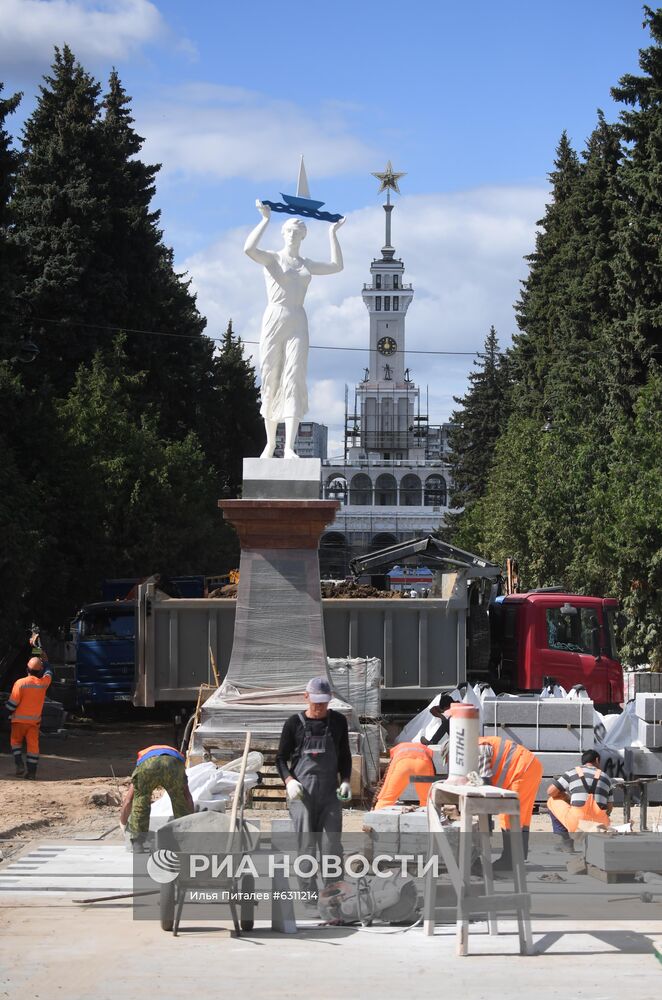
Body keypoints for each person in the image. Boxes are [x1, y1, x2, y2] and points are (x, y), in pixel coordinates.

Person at [244, 201, 344, 458]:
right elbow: (249, 249)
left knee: (294, 377)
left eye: (297, 233)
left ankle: (289, 446)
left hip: (298, 318)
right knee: (271, 376)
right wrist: (265, 220)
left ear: (303, 236)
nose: (293, 235)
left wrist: (332, 234)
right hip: (275, 316)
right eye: (289, 231)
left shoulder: (306, 263)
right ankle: (270, 443)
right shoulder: (273, 258)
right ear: (283, 234)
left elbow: (336, 266)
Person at [276, 677, 352, 879]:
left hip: (330, 795)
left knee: (331, 847)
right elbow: (280, 759)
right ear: (306, 696)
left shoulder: (338, 722)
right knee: (307, 847)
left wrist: (345, 780)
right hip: (302, 795)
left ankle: (334, 896)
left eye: (324, 702)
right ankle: (309, 899)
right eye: (315, 701)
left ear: (330, 699)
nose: (319, 706)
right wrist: (289, 781)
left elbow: (345, 755)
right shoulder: (293, 724)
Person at [477, 735, 544, 869]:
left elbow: (484, 782)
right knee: (521, 817)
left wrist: (485, 818)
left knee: (510, 815)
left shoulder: (479, 747)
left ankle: (510, 861)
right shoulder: (478, 745)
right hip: (526, 767)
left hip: (522, 769)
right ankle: (517, 858)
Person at [120, 744, 194, 850]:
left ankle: (138, 843)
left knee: (141, 800)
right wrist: (192, 823)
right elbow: (188, 798)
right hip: (173, 764)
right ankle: (185, 837)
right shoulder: (177, 757)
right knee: (179, 801)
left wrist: (122, 823)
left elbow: (128, 801)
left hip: (149, 765)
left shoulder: (142, 760)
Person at [6, 633, 53, 779]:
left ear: (27, 668)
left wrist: (5, 713)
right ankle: (32, 773)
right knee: (33, 748)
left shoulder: (20, 683)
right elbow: (49, 670)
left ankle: (19, 764)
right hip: (33, 723)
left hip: (18, 722)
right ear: (39, 671)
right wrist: (43, 658)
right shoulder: (43, 684)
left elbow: (12, 704)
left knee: (15, 742)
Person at [546, 749, 613, 846]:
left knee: (552, 800)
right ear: (597, 760)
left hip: (577, 825)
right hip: (600, 826)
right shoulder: (606, 778)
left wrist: (565, 797)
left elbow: (550, 791)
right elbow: (610, 808)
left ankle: (566, 842)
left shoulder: (572, 772)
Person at [374, 741, 437, 810]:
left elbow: (386, 776)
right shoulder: (424, 748)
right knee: (427, 800)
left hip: (402, 764)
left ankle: (377, 815)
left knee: (387, 799)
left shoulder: (398, 748)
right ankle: (428, 818)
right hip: (423, 763)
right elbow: (433, 768)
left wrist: (376, 798)